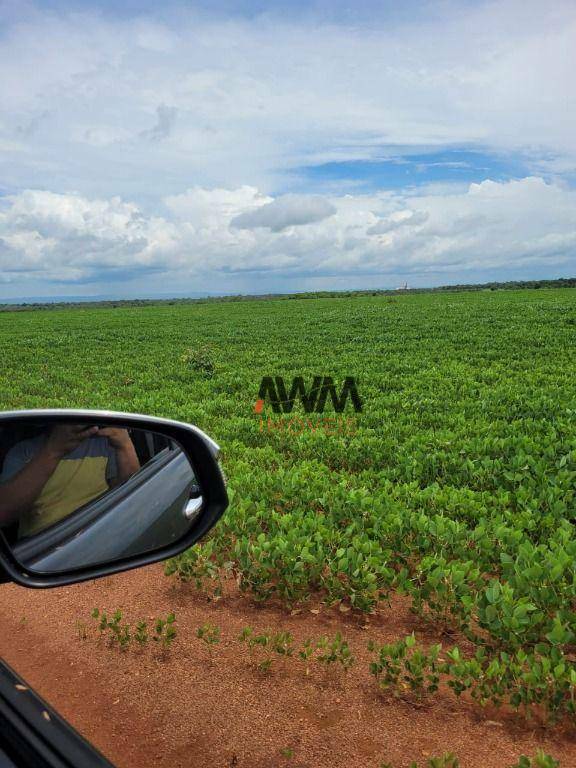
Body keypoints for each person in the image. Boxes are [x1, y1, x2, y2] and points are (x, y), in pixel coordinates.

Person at [0, 423, 140, 539]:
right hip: (42, 550)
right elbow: (4, 513)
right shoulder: (23, 452)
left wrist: (125, 445)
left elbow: (131, 498)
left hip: (100, 537)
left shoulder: (106, 442)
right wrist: (53, 450)